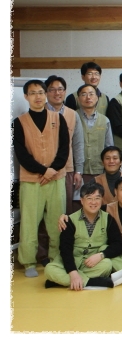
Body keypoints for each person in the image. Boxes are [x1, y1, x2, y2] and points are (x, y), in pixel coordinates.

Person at [13, 79, 70, 278]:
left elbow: (64, 148)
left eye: (41, 92)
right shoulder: (19, 122)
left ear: (46, 95)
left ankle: (56, 258)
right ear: (25, 96)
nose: (38, 96)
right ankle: (28, 261)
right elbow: (21, 153)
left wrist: (52, 170)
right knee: (29, 222)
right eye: (33, 93)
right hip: (31, 180)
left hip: (56, 178)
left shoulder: (58, 118)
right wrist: (43, 171)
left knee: (57, 221)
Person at [58, 176, 122, 284]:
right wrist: (65, 216)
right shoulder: (105, 209)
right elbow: (87, 211)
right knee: (104, 250)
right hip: (107, 253)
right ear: (115, 191)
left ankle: (73, 280)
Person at [44, 182, 122, 289]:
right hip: (71, 261)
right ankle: (90, 282)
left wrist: (101, 255)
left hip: (91, 263)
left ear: (102, 200)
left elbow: (119, 245)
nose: (93, 202)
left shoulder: (108, 219)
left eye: (97, 198)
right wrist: (73, 272)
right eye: (89, 198)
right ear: (81, 200)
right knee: (49, 269)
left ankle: (62, 281)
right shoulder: (69, 220)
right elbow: (65, 249)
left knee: (107, 264)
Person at [45, 75, 84, 214]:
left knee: (64, 208)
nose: (57, 93)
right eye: (52, 89)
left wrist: (78, 171)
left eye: (60, 89)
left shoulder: (73, 114)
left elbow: (78, 144)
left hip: (66, 169)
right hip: (43, 169)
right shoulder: (39, 112)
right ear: (46, 92)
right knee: (44, 208)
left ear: (65, 91)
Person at [76, 84, 114, 183]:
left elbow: (109, 146)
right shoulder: (72, 117)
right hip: (77, 172)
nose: (88, 97)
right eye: (84, 94)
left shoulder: (105, 120)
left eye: (91, 94)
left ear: (97, 98)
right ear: (78, 98)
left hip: (99, 170)